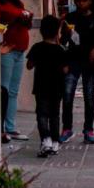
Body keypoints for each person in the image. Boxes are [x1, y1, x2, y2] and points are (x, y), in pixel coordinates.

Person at [60, 0, 94, 145]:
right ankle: (67, 127)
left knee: (89, 95)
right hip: (73, 59)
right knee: (67, 94)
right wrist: (65, 32)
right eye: (79, 0)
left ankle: (88, 129)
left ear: (90, 2)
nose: (81, 3)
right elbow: (64, 41)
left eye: (84, 0)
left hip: (89, 61)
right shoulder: (70, 17)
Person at [0, 0, 33, 144]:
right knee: (3, 90)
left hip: (20, 51)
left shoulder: (18, 4)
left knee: (13, 91)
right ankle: (1, 127)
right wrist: (15, 20)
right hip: (7, 50)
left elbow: (26, 26)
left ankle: (10, 126)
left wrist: (26, 20)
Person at [26, 15, 68, 158]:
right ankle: (55, 142)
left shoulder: (37, 48)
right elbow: (65, 70)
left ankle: (46, 139)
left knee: (42, 114)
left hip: (41, 86)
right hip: (57, 87)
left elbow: (29, 66)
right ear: (57, 32)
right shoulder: (61, 50)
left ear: (41, 31)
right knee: (55, 114)